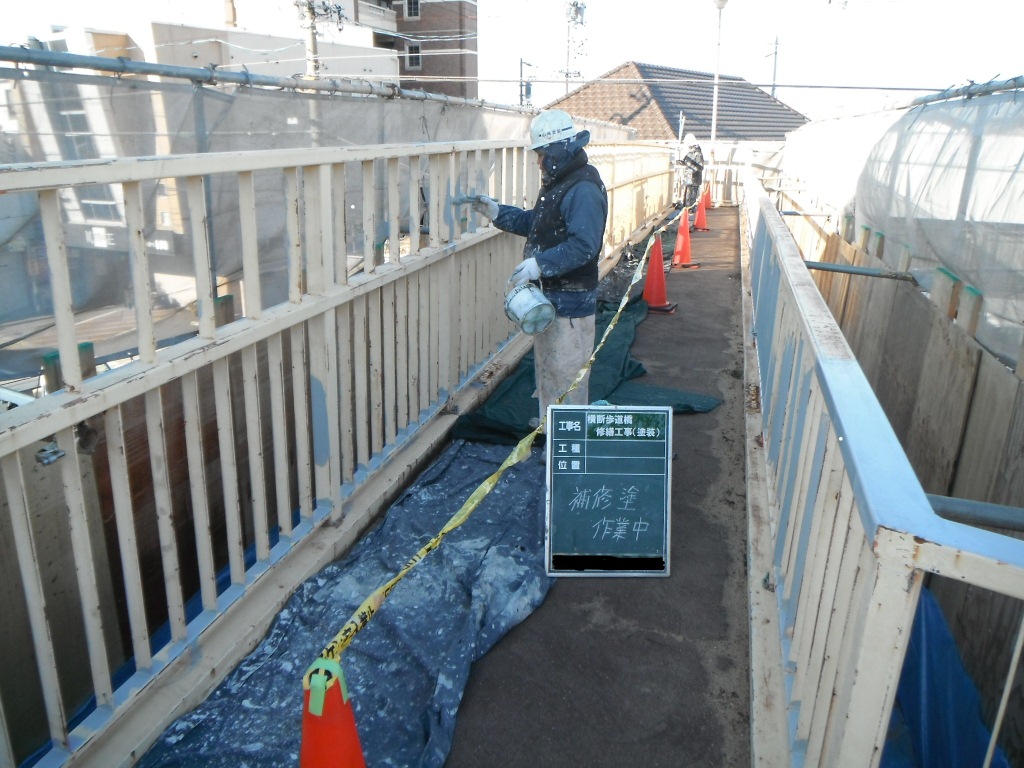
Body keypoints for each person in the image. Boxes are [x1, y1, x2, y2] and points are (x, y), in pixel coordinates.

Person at [462, 109, 608, 431]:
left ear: (557, 151)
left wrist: (539, 264)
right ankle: (547, 423)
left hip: (571, 303)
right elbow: (538, 224)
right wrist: (499, 212)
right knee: (550, 369)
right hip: (552, 297)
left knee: (567, 374)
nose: (539, 162)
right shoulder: (562, 182)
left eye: (541, 155)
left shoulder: (582, 188)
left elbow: (584, 246)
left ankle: (565, 441)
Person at [678, 133, 704, 213]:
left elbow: (700, 167)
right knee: (687, 195)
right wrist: (682, 162)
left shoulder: (698, 154)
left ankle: (690, 210)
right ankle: (686, 209)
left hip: (694, 179)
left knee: (692, 196)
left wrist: (690, 164)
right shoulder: (690, 153)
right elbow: (686, 161)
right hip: (689, 178)